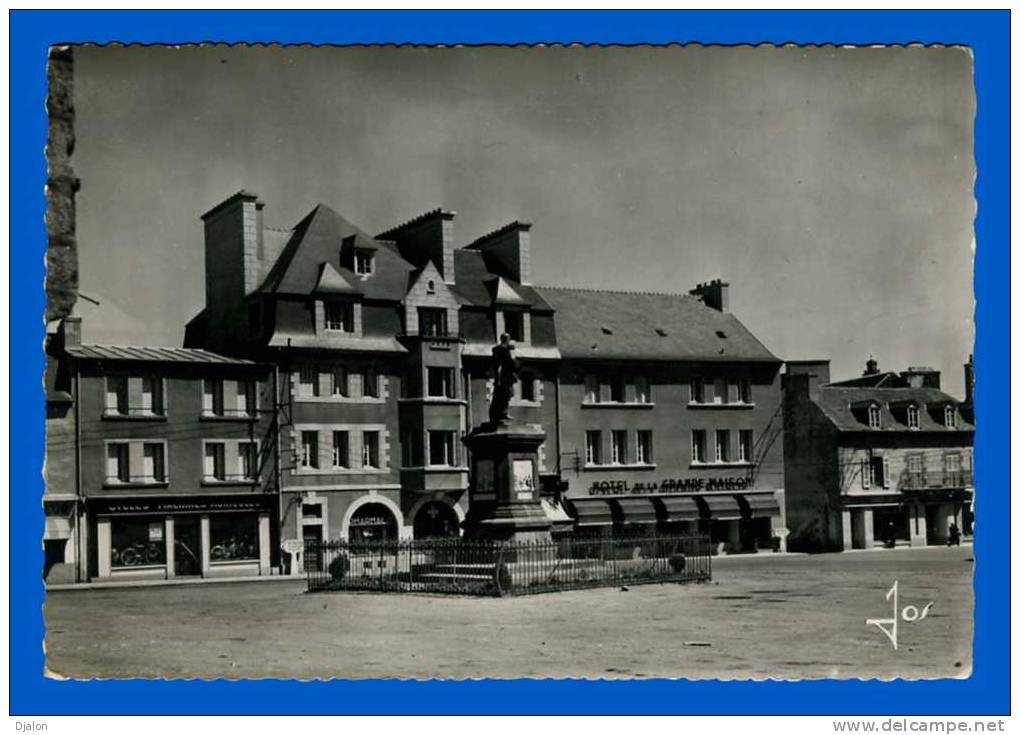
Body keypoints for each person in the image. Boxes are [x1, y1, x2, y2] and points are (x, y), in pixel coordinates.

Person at [488, 332, 519, 425]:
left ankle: (498, 414)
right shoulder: (507, 350)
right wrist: (513, 356)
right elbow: (514, 365)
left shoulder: (496, 349)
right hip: (505, 377)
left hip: (500, 377)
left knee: (499, 396)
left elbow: (495, 365)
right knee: (506, 395)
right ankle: (502, 413)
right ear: (508, 339)